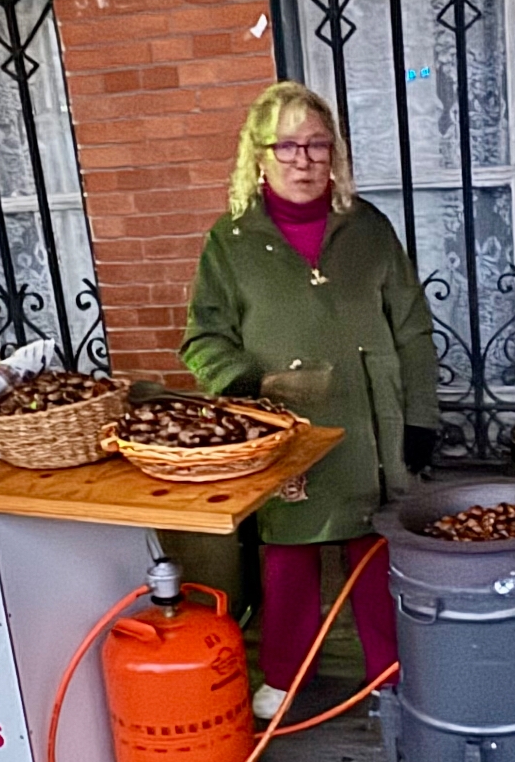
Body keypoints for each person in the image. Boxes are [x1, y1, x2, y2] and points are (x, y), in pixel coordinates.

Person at [182, 81, 440, 720]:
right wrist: (244, 384)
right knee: (289, 556)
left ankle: (389, 672)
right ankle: (286, 674)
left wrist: (420, 418)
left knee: (374, 553)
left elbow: (411, 327)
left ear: (335, 154)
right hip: (285, 429)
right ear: (260, 155)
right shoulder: (232, 242)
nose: (303, 160)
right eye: (287, 145)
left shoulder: (368, 228)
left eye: (317, 145)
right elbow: (204, 336)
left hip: (370, 425)